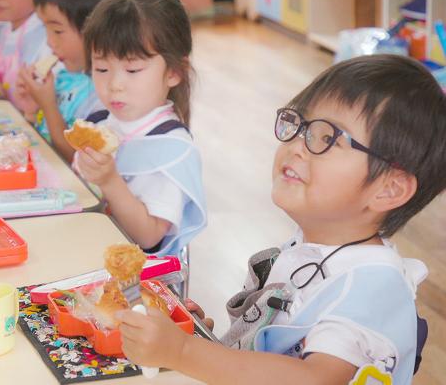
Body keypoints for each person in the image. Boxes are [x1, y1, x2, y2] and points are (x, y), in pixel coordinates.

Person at [116, 54, 446, 385]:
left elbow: (314, 379)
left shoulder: (371, 288)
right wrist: (204, 341)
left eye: (327, 137)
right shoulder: (308, 248)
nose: (297, 145)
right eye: (299, 126)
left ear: (389, 189)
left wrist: (185, 351)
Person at [76, 0, 206, 256]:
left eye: (132, 69)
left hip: (136, 282)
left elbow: (148, 236)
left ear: (173, 72)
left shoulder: (172, 149)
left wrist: (110, 180)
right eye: (101, 68)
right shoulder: (99, 121)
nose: (114, 84)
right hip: (87, 251)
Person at [15, 0, 128, 161]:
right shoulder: (65, 76)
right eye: (45, 28)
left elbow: (78, 160)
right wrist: (32, 110)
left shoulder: (107, 97)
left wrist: (48, 106)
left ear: (95, 29)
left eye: (57, 31)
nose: (49, 42)